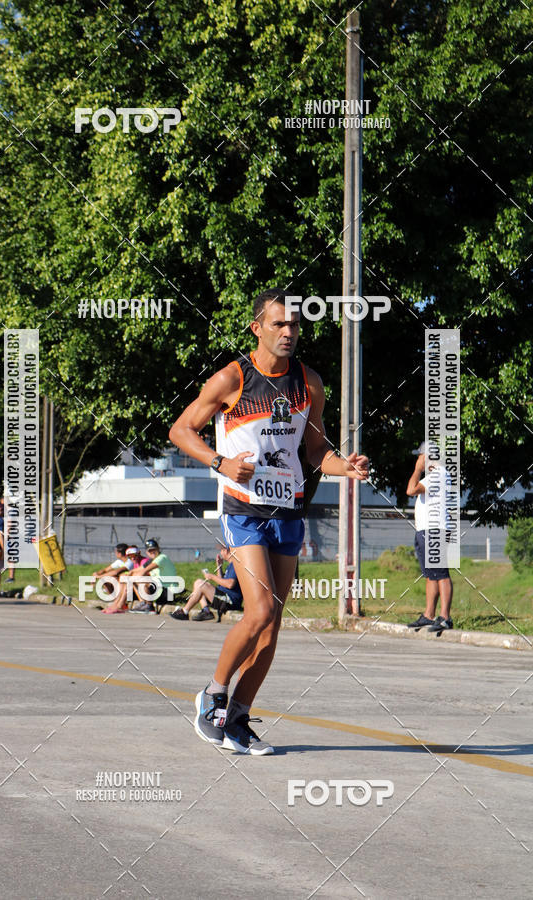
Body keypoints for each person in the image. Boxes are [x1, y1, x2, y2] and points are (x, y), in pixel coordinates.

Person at [169, 287, 368, 754]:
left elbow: (317, 452)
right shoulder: (232, 379)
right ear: (257, 328)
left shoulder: (310, 382)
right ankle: (212, 696)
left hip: (288, 509)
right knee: (256, 611)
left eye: (294, 325)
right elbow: (181, 430)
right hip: (242, 509)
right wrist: (219, 462)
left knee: (273, 623)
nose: (288, 332)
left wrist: (347, 467)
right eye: (278, 324)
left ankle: (238, 718)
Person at [406, 441, 454, 633]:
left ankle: (445, 617)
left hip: (435, 530)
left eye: (419, 456)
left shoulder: (438, 475)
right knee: (430, 575)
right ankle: (429, 615)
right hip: (426, 530)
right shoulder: (435, 476)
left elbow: (410, 490)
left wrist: (417, 470)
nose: (418, 460)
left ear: (427, 457)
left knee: (440, 574)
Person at [171, 547, 241, 621]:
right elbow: (222, 582)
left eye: (221, 550)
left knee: (200, 584)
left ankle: (184, 612)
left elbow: (230, 584)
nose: (220, 553)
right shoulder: (230, 565)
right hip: (223, 597)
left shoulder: (234, 564)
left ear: (226, 551)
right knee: (198, 584)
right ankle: (206, 611)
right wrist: (219, 566)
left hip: (229, 601)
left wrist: (211, 576)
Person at [130, 539, 178, 613]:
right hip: (160, 589)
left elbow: (144, 571)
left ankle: (149, 606)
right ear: (147, 552)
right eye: (150, 550)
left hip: (168, 592)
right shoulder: (152, 560)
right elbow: (140, 569)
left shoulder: (161, 558)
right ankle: (143, 603)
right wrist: (129, 573)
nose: (152, 552)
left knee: (140, 579)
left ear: (158, 549)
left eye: (154, 550)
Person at [102, 546, 150, 614]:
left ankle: (120, 605)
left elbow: (145, 575)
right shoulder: (135, 562)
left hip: (148, 587)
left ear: (139, 553)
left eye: (134, 555)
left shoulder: (144, 561)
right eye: (130, 557)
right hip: (139, 587)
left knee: (127, 579)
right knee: (124, 578)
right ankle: (117, 604)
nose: (132, 558)